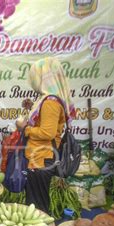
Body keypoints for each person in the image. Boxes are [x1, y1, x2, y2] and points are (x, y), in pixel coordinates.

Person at [17, 57, 76, 213]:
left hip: (42, 158)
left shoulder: (50, 102)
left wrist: (24, 128)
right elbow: (45, 123)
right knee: (34, 200)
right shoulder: (48, 100)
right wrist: (32, 107)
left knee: (37, 203)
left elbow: (47, 133)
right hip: (39, 157)